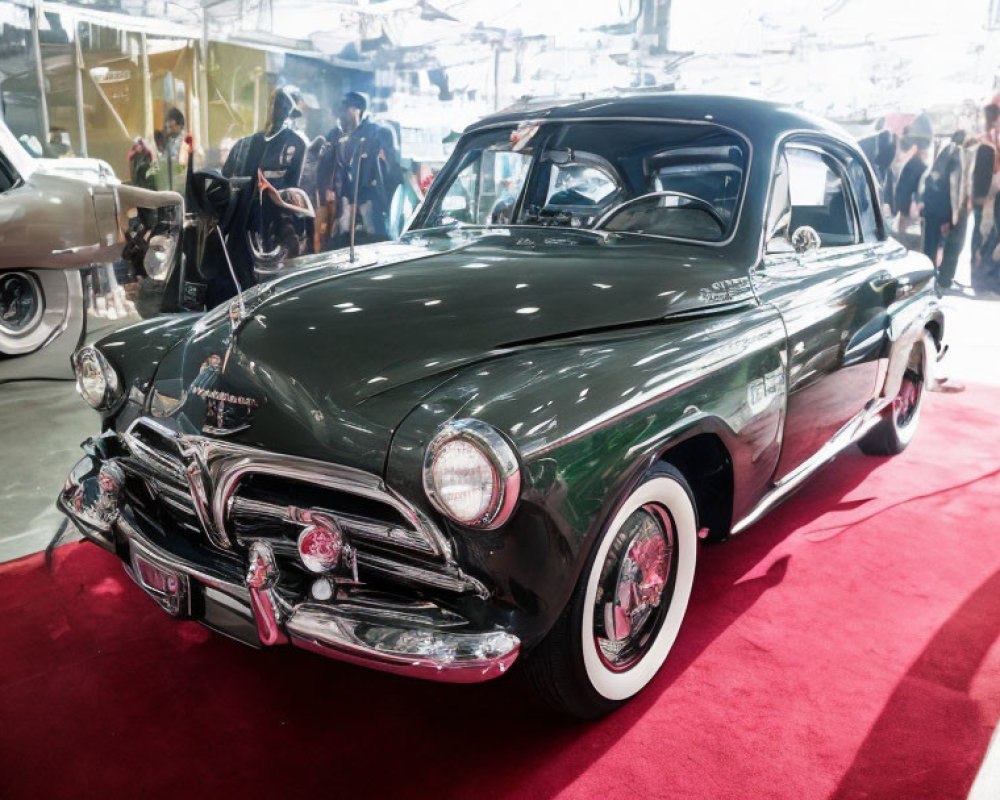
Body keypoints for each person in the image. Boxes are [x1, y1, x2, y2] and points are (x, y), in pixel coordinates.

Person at [329, 91, 402, 249]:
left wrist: (381, 202)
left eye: (345, 109)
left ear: (356, 109)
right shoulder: (336, 136)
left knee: (376, 248)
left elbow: (392, 172)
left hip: (372, 206)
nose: (340, 115)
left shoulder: (379, 133)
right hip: (346, 208)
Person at [921, 131, 969, 289]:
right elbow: (952, 188)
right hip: (942, 209)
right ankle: (942, 280)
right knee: (948, 244)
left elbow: (934, 181)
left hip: (933, 207)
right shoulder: (956, 155)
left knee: (930, 246)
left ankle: (928, 279)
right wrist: (949, 217)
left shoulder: (945, 152)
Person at [970, 103, 1000, 291]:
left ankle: (979, 265)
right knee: (988, 231)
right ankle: (982, 268)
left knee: (982, 230)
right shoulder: (991, 139)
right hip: (989, 193)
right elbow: (993, 169)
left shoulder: (982, 137)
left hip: (983, 192)